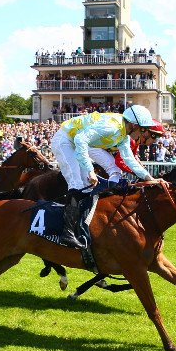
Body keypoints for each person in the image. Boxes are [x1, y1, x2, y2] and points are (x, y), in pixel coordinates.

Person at [51, 105, 159, 248]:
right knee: (77, 183)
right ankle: (67, 233)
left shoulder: (123, 135)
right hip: (65, 140)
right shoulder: (112, 127)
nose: (143, 134)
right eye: (143, 129)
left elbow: (129, 160)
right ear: (134, 125)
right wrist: (90, 170)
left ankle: (80, 228)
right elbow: (80, 139)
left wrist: (150, 178)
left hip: (78, 143)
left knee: (86, 188)